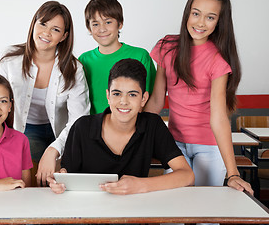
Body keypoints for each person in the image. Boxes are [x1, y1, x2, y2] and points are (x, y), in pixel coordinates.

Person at [145, 0, 253, 195]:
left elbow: (219, 117)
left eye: (210, 17)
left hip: (209, 146)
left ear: (220, 21)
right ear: (188, 13)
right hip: (174, 144)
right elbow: (157, 101)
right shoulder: (167, 47)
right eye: (196, 14)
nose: (200, 22)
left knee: (205, 212)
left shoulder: (217, 60)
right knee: (175, 208)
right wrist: (132, 135)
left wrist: (233, 173)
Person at [48, 59, 194, 195]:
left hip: (133, 214)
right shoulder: (82, 127)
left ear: (143, 99)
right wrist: (59, 182)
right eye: (117, 94)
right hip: (88, 215)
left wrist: (141, 185)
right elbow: (66, 175)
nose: (123, 101)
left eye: (132, 95)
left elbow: (187, 175)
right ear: (108, 96)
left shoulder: (152, 125)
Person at [0, 1, 90, 186]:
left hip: (63, 131)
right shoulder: (9, 60)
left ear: (64, 36)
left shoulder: (74, 68)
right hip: (25, 128)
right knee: (30, 174)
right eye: (43, 24)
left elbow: (79, 119)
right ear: (34, 24)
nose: (46, 33)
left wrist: (54, 149)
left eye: (55, 29)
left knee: (65, 172)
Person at [78, 0, 156, 115]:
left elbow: (150, 98)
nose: (102, 29)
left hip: (132, 127)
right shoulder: (84, 60)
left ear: (119, 24)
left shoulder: (140, 56)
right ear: (89, 28)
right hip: (95, 129)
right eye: (95, 24)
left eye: (108, 22)